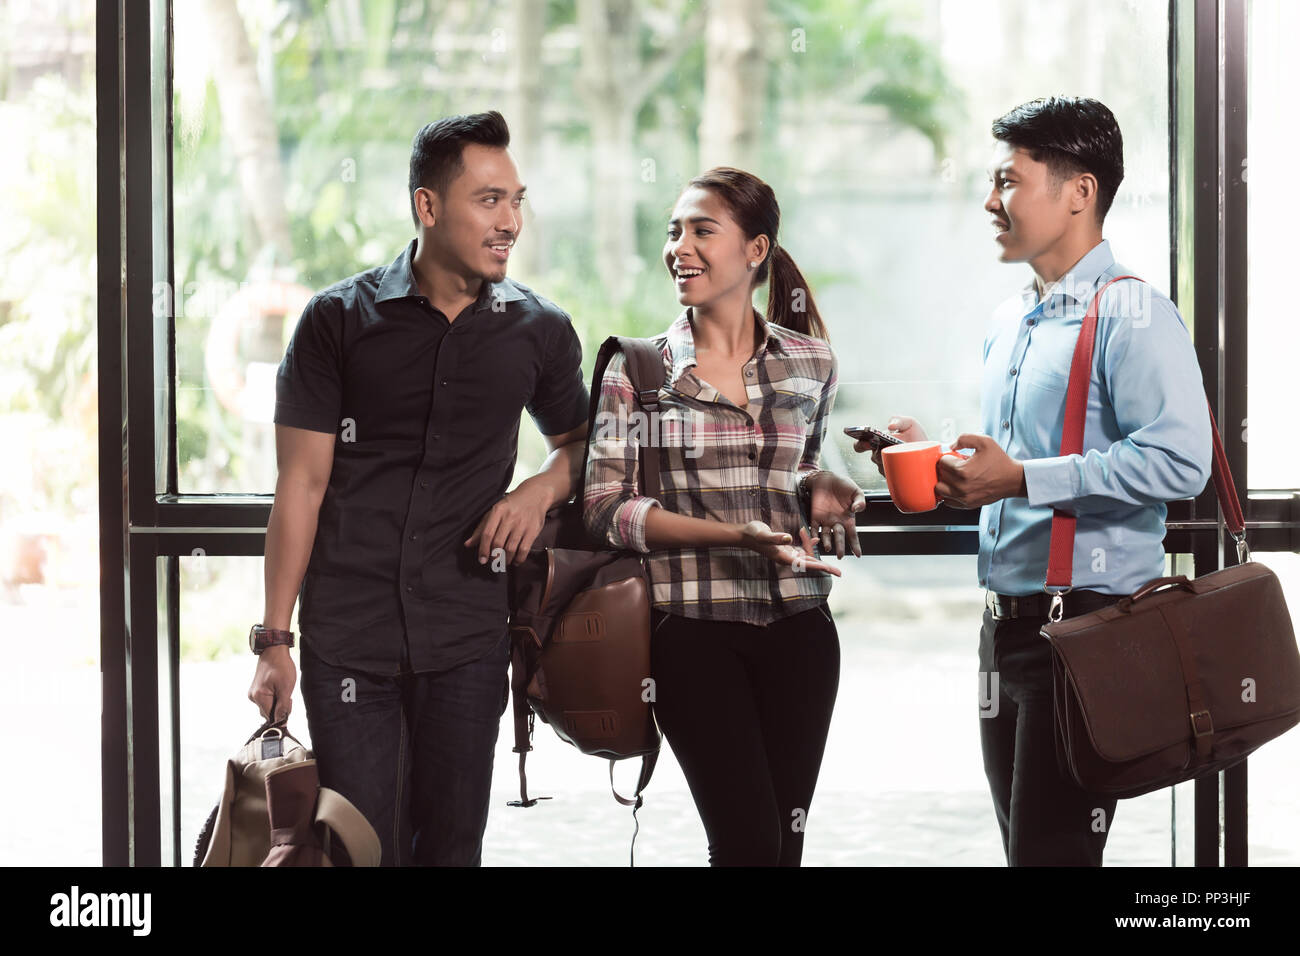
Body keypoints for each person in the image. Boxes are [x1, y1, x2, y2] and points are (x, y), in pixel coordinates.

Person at [860, 97, 1211, 865]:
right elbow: (1029, 460)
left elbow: (1183, 461)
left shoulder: (1135, 316)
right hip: (1006, 632)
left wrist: (1018, 477)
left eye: (1007, 181)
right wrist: (939, 456)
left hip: (1087, 633)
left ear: (1079, 191)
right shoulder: (1011, 320)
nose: (990, 201)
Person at [248, 111, 591, 866]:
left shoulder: (538, 331)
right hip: (349, 644)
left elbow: (582, 447)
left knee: (450, 854)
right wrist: (275, 640)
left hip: (466, 641)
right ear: (428, 207)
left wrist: (536, 491)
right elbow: (300, 485)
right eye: (489, 201)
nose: (511, 223)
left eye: (517, 200)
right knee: (359, 852)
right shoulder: (335, 322)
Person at [583, 167, 866, 866]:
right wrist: (730, 537)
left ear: (755, 249)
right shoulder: (640, 372)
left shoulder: (810, 362)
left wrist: (822, 483)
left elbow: (795, 465)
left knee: (786, 843)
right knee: (746, 843)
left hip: (801, 629)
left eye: (702, 229)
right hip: (693, 634)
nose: (680, 245)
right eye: (674, 230)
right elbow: (604, 508)